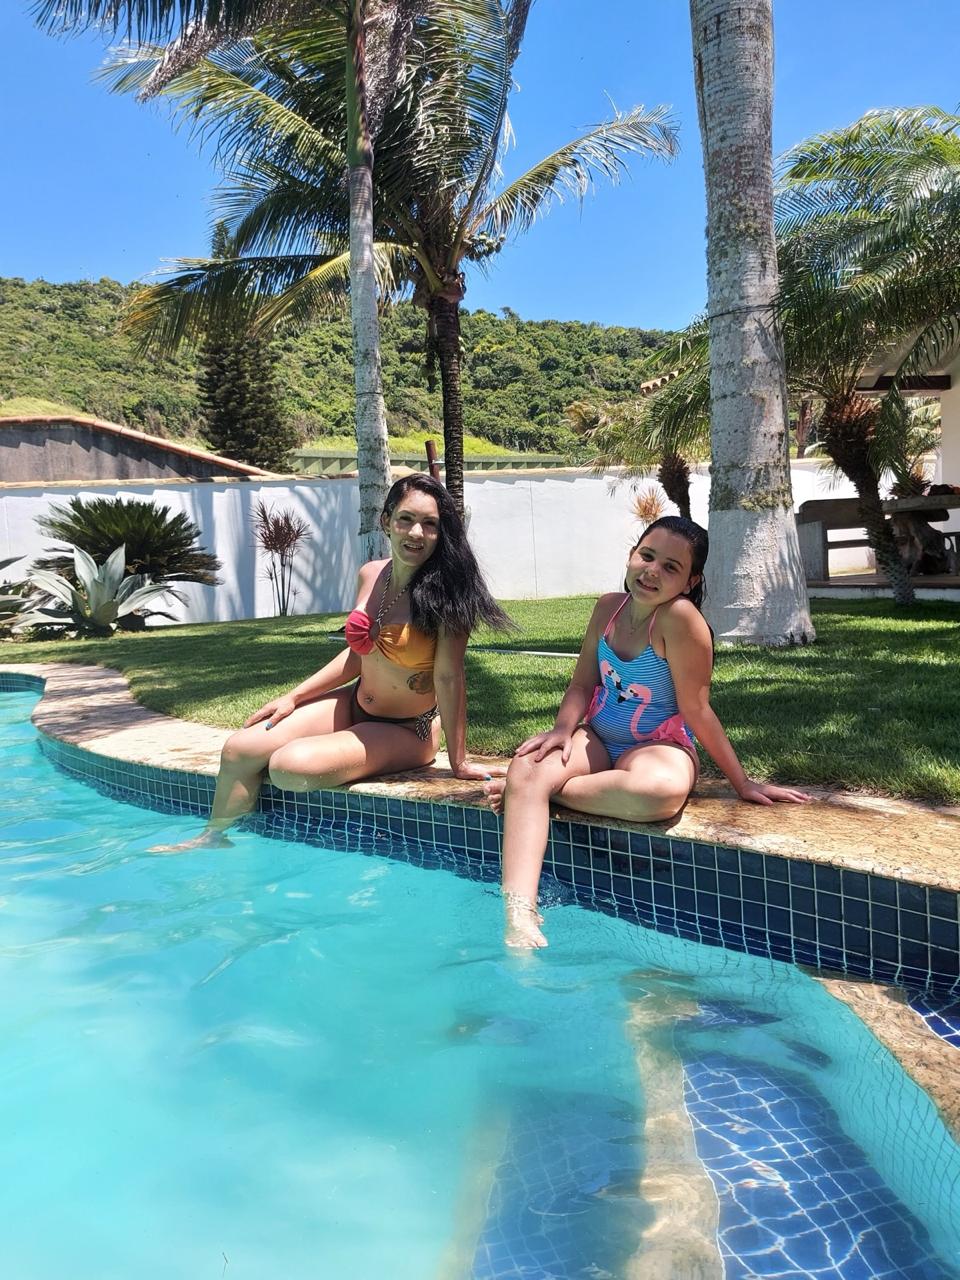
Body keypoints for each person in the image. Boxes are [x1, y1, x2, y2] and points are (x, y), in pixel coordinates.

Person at [485, 516, 811, 948]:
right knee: (529, 763)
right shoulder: (607, 608)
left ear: (691, 581)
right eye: (647, 555)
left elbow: (697, 710)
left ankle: (534, 794)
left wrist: (742, 783)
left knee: (659, 792)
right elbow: (582, 683)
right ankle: (519, 913)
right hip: (599, 736)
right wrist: (563, 729)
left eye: (671, 567)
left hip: (659, 744)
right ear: (631, 555)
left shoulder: (680, 620)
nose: (652, 571)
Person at [154, 474, 510, 853]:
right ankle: (215, 839)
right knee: (239, 749)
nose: (416, 533)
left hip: (408, 729)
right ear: (386, 521)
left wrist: (458, 761)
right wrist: (294, 697)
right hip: (354, 703)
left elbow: (449, 678)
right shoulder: (371, 574)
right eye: (406, 519)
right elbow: (357, 655)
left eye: (430, 524)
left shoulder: (448, 596)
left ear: (441, 533)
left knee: (289, 768)